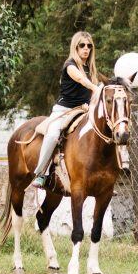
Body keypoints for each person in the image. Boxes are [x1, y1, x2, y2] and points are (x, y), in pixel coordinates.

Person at [30, 31, 100, 189]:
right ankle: (40, 174)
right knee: (53, 135)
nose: (86, 49)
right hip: (64, 111)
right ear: (75, 47)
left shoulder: (91, 68)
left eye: (89, 46)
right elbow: (81, 80)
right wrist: (96, 88)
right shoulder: (70, 66)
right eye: (82, 45)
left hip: (84, 111)